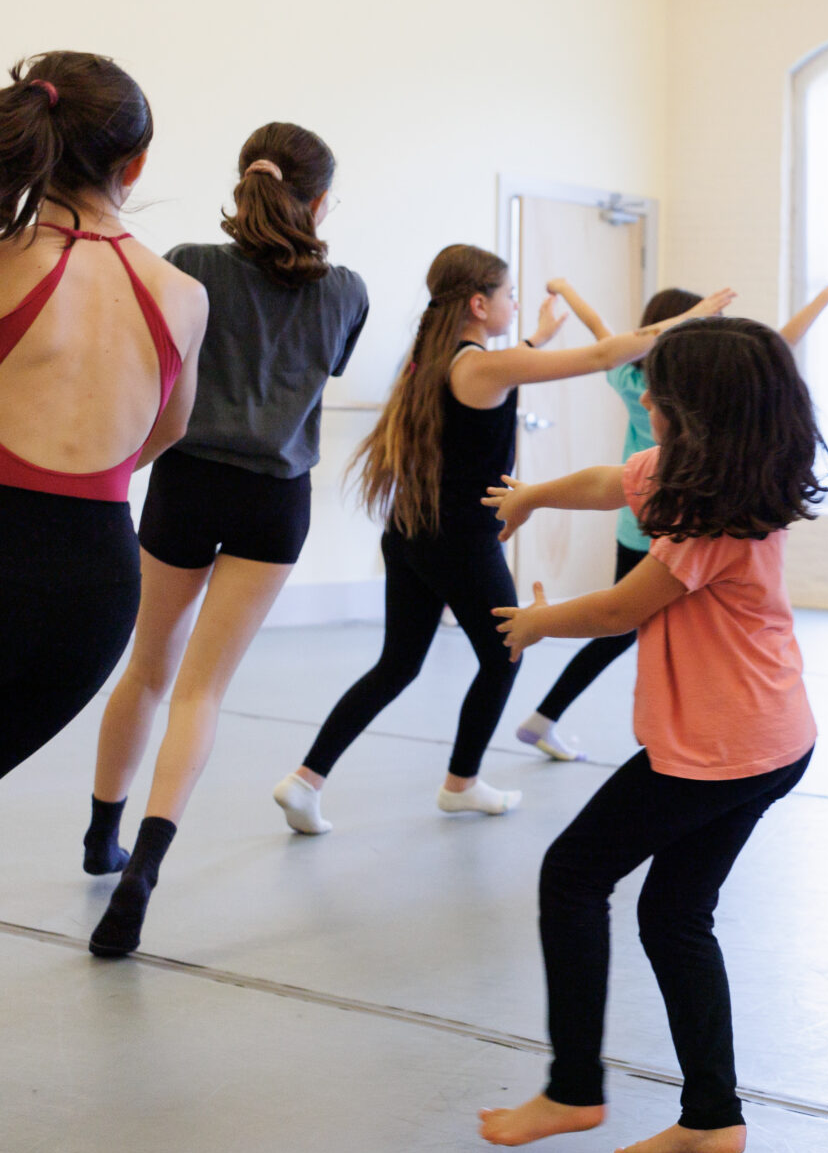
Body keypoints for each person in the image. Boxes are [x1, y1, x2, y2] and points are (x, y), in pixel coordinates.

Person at [476, 317, 822, 1153]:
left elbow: (618, 610)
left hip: (722, 746)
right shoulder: (711, 480)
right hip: (772, 737)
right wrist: (532, 495)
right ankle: (712, 1113)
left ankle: (573, 1089)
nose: (647, 410)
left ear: (686, 414)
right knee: (674, 913)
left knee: (573, 872)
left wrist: (532, 622)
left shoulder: (712, 520)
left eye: (654, 399)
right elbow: (609, 481)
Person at [84, 124, 369, 955]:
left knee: (147, 667)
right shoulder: (347, 289)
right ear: (319, 201)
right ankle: (148, 867)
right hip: (276, 502)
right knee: (202, 691)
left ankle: (105, 838)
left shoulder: (191, 264)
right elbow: (326, 361)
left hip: (188, 482)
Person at [273, 247, 664, 836]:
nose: (513, 302)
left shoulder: (433, 358)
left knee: (397, 665)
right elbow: (607, 354)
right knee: (507, 653)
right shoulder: (481, 366)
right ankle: (461, 784)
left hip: (410, 532)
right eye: (508, 294)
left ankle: (306, 781)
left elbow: (500, 375)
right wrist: (696, 316)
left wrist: (534, 337)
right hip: (461, 544)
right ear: (480, 304)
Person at [0, 52, 207, 790]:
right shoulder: (182, 293)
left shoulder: (7, 261)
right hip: (94, 588)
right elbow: (167, 432)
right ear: (137, 165)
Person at [514, 281, 770, 762]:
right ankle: (549, 716)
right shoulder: (674, 394)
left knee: (630, 626)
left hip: (633, 522)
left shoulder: (627, 377)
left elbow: (599, 332)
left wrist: (570, 289)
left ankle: (546, 716)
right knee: (626, 624)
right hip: (662, 516)